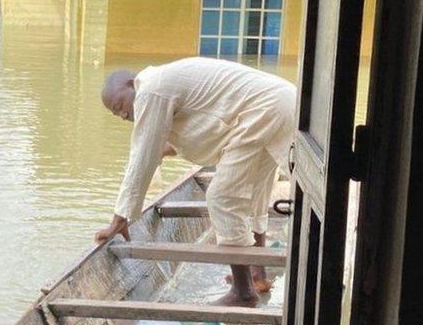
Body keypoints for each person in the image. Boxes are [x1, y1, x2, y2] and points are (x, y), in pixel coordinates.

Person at [95, 57, 295, 308]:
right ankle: (257, 274)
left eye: (120, 104)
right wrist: (161, 152)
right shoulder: (165, 84)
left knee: (221, 198)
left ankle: (243, 292)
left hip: (265, 109)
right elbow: (202, 130)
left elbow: (141, 157)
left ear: (131, 83)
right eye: (117, 114)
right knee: (254, 192)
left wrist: (121, 215)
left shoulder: (150, 90)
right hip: (280, 101)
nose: (124, 114)